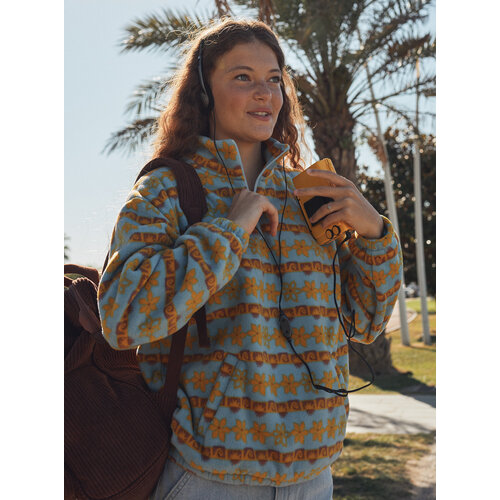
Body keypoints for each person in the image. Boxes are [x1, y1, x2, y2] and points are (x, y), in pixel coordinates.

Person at [98, 18, 402, 500]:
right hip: (208, 474)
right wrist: (230, 229)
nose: (264, 93)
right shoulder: (167, 188)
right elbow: (122, 317)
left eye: (274, 79)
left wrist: (376, 235)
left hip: (314, 473)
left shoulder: (311, 193)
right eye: (242, 77)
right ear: (204, 91)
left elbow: (365, 322)